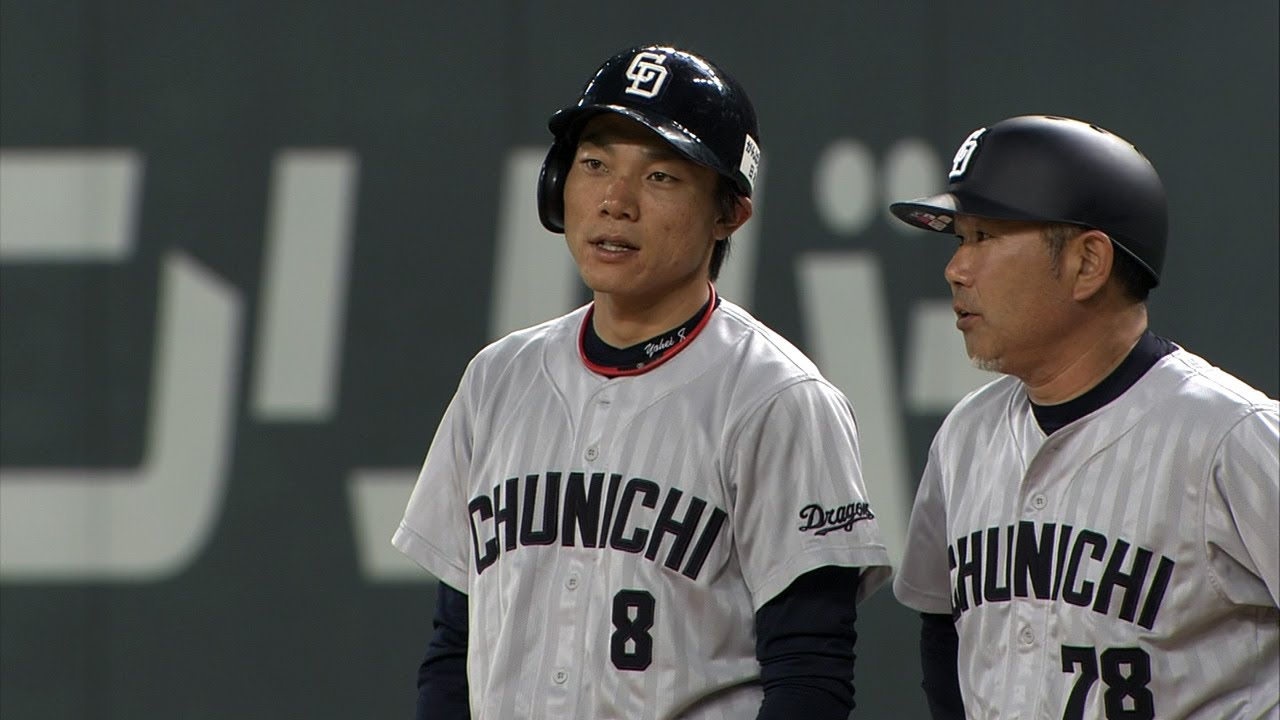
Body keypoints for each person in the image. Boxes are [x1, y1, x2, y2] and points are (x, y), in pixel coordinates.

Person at [393, 44, 891, 720]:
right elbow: (456, 648)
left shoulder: (779, 399)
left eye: (661, 177)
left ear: (729, 214)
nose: (615, 201)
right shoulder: (497, 380)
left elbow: (810, 674)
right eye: (594, 164)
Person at [889, 114, 1280, 719]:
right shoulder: (965, 436)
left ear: (1088, 263)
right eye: (959, 238)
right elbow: (942, 629)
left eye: (984, 237)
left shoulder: (1233, 435)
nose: (956, 269)